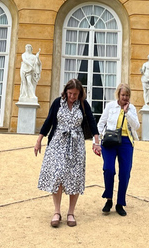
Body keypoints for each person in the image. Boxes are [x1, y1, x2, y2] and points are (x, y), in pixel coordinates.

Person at [34, 79, 101, 228]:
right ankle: (56, 212)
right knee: (57, 174)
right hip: (57, 142)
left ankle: (71, 213)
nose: (72, 97)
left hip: (76, 145)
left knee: (74, 177)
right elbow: (49, 121)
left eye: (75, 94)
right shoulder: (58, 102)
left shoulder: (83, 104)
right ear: (66, 92)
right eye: (70, 93)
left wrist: (97, 142)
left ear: (80, 94)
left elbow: (91, 122)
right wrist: (39, 140)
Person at [97, 83, 140, 217]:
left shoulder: (131, 108)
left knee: (125, 173)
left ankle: (120, 203)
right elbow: (101, 123)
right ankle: (108, 199)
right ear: (118, 95)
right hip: (110, 140)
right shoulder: (110, 106)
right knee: (109, 169)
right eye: (123, 95)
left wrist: (127, 112)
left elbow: (136, 126)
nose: (125, 98)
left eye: (127, 95)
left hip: (126, 142)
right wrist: (96, 142)